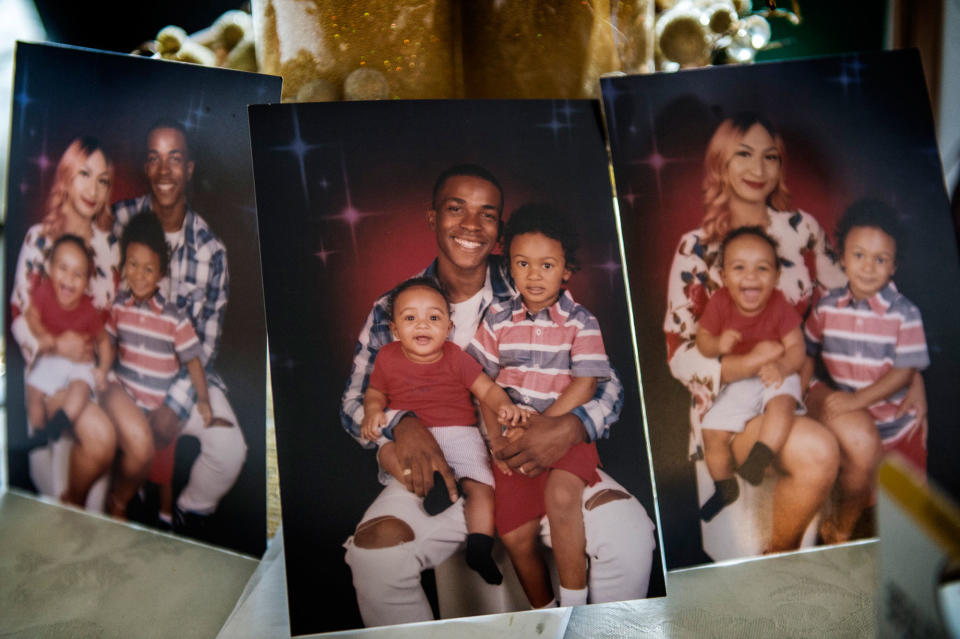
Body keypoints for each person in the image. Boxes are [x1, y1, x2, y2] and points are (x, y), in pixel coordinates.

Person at [341, 164, 655, 627]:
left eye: (486, 214)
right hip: (445, 473)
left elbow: (607, 384)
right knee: (375, 558)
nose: (471, 225)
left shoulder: (533, 284)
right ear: (431, 218)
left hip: (542, 464)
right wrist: (400, 424)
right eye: (455, 209)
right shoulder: (397, 306)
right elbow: (353, 406)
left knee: (629, 537)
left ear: (500, 230)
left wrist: (566, 428)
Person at [467, 203, 612, 608]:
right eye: (523, 263)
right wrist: (497, 440)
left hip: (562, 436)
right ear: (509, 268)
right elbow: (482, 383)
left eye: (547, 265)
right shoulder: (496, 318)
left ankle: (575, 604)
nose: (534, 275)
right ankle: (547, 615)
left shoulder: (581, 322)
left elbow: (585, 383)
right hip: (511, 439)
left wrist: (543, 427)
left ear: (566, 271)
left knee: (563, 498)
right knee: (514, 535)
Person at [108, 119, 245, 534]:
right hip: (121, 375)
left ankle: (185, 516)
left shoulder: (210, 250)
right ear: (146, 167)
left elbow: (205, 343)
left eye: (175, 158)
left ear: (188, 168)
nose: (164, 170)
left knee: (230, 448)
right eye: (154, 158)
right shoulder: (117, 221)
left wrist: (176, 403)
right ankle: (105, 507)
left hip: (182, 382)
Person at [10, 136, 152, 509]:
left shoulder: (110, 248)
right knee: (101, 438)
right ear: (67, 177)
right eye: (84, 174)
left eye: (103, 180)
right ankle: (70, 504)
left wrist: (110, 361)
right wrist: (55, 347)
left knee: (139, 440)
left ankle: (115, 507)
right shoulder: (38, 239)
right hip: (48, 369)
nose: (93, 188)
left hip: (97, 370)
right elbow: (18, 316)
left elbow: (111, 319)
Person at [362, 277, 527, 585]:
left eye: (433, 318)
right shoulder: (387, 357)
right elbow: (375, 393)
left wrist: (504, 405)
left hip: (459, 434)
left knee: (481, 487)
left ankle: (479, 546)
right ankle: (433, 486)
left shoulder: (455, 357)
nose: (422, 325)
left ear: (449, 327)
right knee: (387, 453)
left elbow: (486, 389)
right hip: (414, 436)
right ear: (395, 330)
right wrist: (372, 410)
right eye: (410, 318)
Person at [804, 198, 929, 543]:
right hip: (854, 419)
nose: (868, 267)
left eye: (880, 259)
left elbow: (903, 372)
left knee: (900, 509)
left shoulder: (904, 313)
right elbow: (808, 348)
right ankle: (842, 525)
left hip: (896, 424)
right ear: (842, 257)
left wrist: (857, 400)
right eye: (858, 255)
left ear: (893, 267)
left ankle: (854, 523)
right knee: (854, 479)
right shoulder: (827, 306)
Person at [103, 211, 215, 523]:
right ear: (124, 263)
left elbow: (192, 359)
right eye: (133, 264)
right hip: (126, 398)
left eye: (148, 268)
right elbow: (109, 346)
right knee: (125, 452)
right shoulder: (118, 307)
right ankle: (127, 491)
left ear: (160, 274)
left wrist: (203, 400)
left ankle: (164, 514)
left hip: (157, 407)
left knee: (162, 467)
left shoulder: (172, 316)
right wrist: (102, 375)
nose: (139, 275)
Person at [695, 227, 805, 522]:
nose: (751, 276)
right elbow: (703, 342)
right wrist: (718, 344)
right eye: (739, 267)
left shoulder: (780, 304)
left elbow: (796, 349)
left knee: (781, 403)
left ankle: (760, 457)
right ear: (723, 275)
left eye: (762, 268)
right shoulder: (719, 302)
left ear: (777, 275)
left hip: (777, 369)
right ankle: (725, 486)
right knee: (711, 431)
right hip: (743, 378)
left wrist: (782, 367)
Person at [24, 235, 113, 448]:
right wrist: (43, 336)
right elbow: (31, 316)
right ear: (50, 269)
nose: (69, 278)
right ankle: (39, 435)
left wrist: (103, 369)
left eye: (78, 274)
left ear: (86, 282)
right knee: (33, 390)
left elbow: (103, 343)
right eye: (62, 268)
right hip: (52, 358)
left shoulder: (89, 310)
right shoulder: (44, 292)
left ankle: (59, 423)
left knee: (81, 388)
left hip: (80, 363)